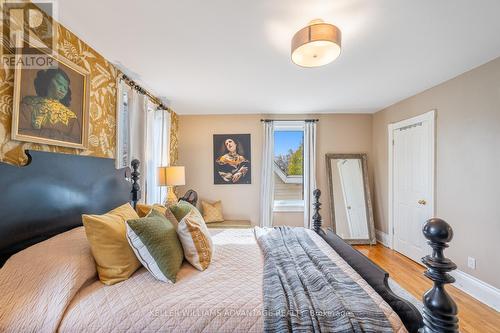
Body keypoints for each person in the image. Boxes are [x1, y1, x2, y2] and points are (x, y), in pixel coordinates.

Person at [18, 68, 81, 143]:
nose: (62, 90)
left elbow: (76, 141)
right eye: (59, 83)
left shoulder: (71, 116)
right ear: (48, 80)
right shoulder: (29, 104)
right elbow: (20, 131)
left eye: (65, 88)